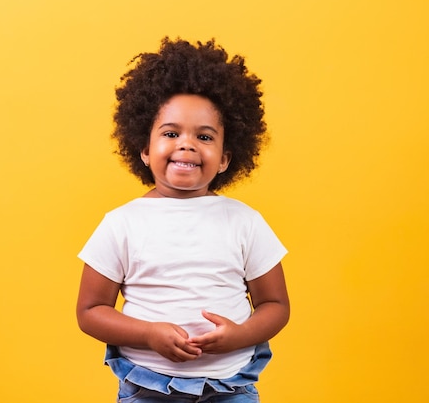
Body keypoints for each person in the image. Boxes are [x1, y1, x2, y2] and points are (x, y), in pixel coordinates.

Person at [77, 37, 289, 402]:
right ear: (144, 148)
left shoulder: (245, 222)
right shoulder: (121, 224)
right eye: (171, 133)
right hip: (147, 388)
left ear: (225, 158)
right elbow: (90, 311)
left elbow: (276, 305)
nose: (187, 144)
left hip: (230, 387)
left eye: (204, 136)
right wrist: (148, 334)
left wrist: (240, 335)